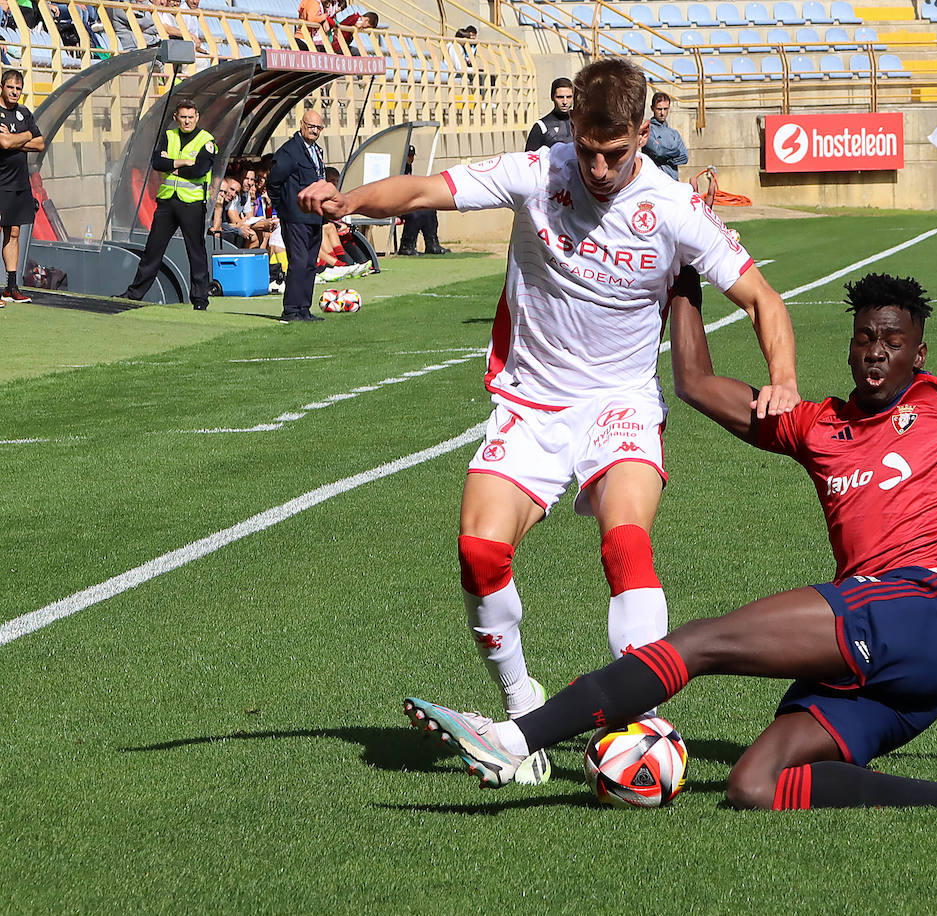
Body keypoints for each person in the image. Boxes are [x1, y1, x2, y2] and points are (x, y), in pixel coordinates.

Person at [404, 268, 937, 812]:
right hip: (887, 669)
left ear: (917, 352)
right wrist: (680, 273)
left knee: (700, 644)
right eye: (863, 338)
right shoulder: (815, 426)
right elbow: (698, 381)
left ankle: (517, 739)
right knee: (755, 785)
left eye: (890, 343)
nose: (873, 354)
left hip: (918, 615)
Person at [298, 57, 800, 787]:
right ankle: (519, 705)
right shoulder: (540, 171)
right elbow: (426, 188)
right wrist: (350, 202)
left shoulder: (675, 210)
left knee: (626, 544)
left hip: (621, 404)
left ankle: (641, 718)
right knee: (477, 554)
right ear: (573, 131)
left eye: (615, 152)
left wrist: (782, 381)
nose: (598, 167)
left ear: (642, 132)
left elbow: (765, 302)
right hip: (532, 401)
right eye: (589, 150)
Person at [121, 99, 216, 311]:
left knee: (196, 251)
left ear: (197, 117)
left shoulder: (206, 139)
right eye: (183, 117)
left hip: (191, 202)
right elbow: (157, 163)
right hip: (167, 201)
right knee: (153, 248)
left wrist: (171, 165)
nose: (187, 121)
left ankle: (200, 299)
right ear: (176, 118)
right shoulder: (169, 135)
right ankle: (135, 293)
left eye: (191, 117)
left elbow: (199, 170)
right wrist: (182, 162)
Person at [266, 109, 327, 321]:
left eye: (318, 127)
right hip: (295, 216)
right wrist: (283, 207)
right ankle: (290, 310)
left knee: (311, 264)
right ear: (301, 125)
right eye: (311, 126)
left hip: (314, 216)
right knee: (299, 262)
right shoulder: (290, 151)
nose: (314, 131)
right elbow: (273, 182)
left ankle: (304, 309)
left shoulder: (317, 151)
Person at [0, 69, 43, 305]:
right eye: (10, 87)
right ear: (1, 87)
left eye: (18, 88)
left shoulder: (24, 113)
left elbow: (40, 143)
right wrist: (26, 136)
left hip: (19, 183)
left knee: (13, 233)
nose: (15, 92)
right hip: (0, 183)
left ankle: (11, 287)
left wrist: (19, 138)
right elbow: (3, 142)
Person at [396, 145, 447, 256]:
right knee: (416, 214)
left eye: (412, 156)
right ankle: (406, 246)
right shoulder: (398, 168)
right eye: (408, 156)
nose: (410, 159)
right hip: (396, 205)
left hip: (407, 202)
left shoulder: (408, 167)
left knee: (429, 210)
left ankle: (432, 244)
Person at [643, 92, 688, 180]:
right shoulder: (647, 130)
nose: (662, 113)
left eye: (665, 109)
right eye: (659, 109)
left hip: (673, 181)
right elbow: (658, 152)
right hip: (654, 181)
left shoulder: (674, 133)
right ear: (652, 109)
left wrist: (665, 159)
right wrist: (675, 153)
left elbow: (685, 157)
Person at [523, 77, 573, 152]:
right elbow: (529, 159)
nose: (565, 101)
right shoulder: (541, 126)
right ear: (552, 97)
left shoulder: (581, 123)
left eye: (569, 97)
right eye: (560, 97)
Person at [207, 173, 243, 247]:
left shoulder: (221, 204)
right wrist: (218, 208)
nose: (223, 195)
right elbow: (215, 233)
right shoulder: (205, 205)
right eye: (220, 191)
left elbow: (218, 229)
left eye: (225, 192)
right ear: (211, 189)